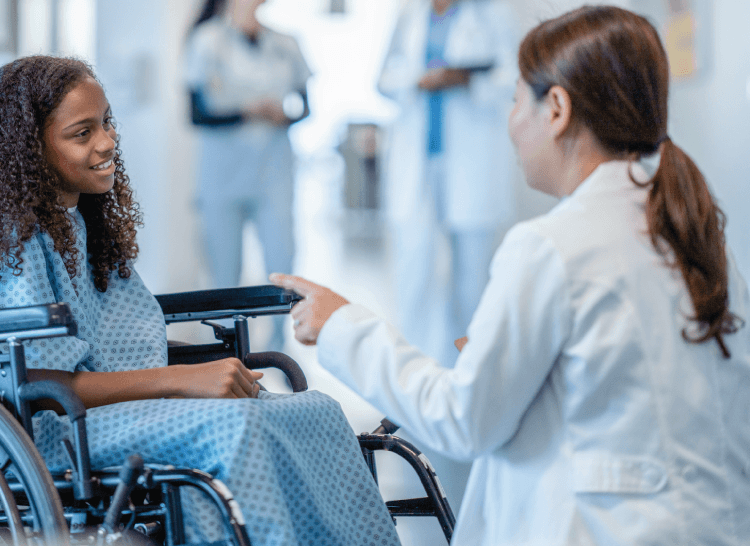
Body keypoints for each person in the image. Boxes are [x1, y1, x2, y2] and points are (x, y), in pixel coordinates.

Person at [272, 6, 750, 545]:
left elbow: (461, 420)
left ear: (557, 109)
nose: (511, 120)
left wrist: (342, 324)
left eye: (518, 98)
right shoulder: (694, 231)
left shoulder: (551, 247)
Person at [0, 55, 399, 546]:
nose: (108, 142)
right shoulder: (4, 239)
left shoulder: (76, 222)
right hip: (51, 430)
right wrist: (184, 381)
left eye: (107, 123)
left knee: (315, 410)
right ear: (28, 150)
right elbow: (36, 380)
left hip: (113, 415)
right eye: (82, 133)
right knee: (234, 426)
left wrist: (188, 382)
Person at [377, 0, 518, 369]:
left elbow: (514, 78)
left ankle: (470, 366)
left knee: (472, 274)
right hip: (419, 160)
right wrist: (416, 81)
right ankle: (419, 367)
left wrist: (465, 78)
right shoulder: (409, 16)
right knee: (415, 265)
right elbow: (383, 79)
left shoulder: (492, 16)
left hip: (471, 161)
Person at [184, 0, 311, 350]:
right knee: (225, 267)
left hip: (274, 171)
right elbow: (195, 114)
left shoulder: (285, 43)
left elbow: (304, 106)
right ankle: (229, 350)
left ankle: (279, 344)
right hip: (222, 173)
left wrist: (285, 115)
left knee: (282, 257)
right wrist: (247, 111)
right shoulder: (207, 40)